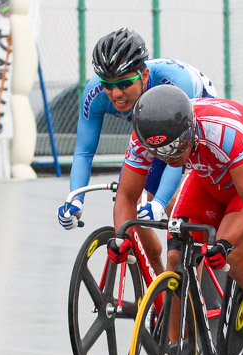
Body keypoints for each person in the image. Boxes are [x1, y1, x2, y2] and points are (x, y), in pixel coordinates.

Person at [111, 85, 243, 355]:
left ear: (190, 129)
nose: (170, 157)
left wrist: (226, 242)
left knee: (231, 255)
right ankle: (182, 347)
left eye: (176, 148)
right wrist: (120, 238)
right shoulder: (146, 135)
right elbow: (126, 196)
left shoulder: (221, 131)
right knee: (177, 257)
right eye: (161, 152)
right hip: (208, 175)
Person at [57, 28, 216, 274]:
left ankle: (197, 274)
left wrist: (161, 202)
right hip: (148, 133)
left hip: (188, 130)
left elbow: (181, 157)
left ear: (143, 75)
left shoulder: (175, 84)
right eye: (108, 85)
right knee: (137, 206)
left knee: (175, 206)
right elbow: (84, 152)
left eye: (123, 84)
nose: (116, 94)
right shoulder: (95, 92)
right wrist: (76, 198)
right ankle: (158, 287)